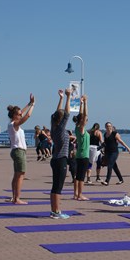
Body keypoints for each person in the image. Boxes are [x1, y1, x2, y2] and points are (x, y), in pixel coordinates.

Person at [7, 93, 35, 204]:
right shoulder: (14, 124)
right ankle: (16, 198)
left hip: (17, 151)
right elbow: (26, 116)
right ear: (14, 115)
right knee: (20, 175)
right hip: (18, 151)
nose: (20, 114)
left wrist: (29, 103)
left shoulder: (12, 124)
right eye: (18, 114)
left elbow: (22, 113)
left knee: (17, 175)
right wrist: (33, 105)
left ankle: (14, 197)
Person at [49, 88, 72, 219]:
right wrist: (68, 97)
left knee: (55, 186)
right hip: (61, 159)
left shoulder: (54, 127)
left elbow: (57, 114)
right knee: (58, 187)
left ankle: (54, 211)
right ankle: (56, 212)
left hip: (55, 159)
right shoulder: (59, 129)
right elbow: (67, 113)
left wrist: (61, 98)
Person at [74, 95, 90, 200]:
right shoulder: (81, 129)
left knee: (77, 176)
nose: (87, 120)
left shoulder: (76, 127)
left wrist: (81, 103)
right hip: (83, 156)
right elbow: (84, 115)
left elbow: (81, 115)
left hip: (79, 155)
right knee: (81, 177)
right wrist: (86, 102)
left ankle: (75, 194)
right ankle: (80, 195)